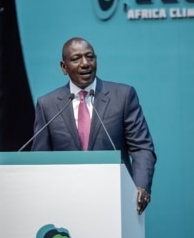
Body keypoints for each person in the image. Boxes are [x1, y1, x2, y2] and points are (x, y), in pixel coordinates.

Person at [31, 37, 156, 214]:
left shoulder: (123, 96)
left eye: (90, 57)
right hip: (65, 203)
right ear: (64, 67)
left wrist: (141, 185)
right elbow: (40, 160)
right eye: (76, 59)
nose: (85, 63)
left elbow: (141, 147)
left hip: (115, 200)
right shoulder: (47, 105)